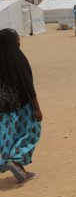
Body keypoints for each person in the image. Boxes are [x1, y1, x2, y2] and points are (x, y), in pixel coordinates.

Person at [0, 28, 43, 183]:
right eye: (18, 38)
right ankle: (16, 160)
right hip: (23, 106)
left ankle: (20, 169)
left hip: (4, 110)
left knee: (9, 137)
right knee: (31, 132)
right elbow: (27, 86)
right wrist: (37, 109)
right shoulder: (18, 59)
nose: (20, 40)